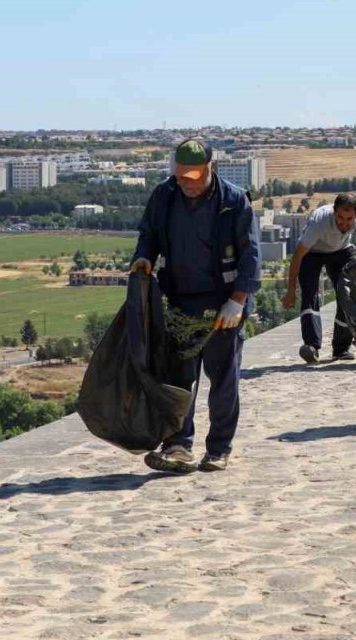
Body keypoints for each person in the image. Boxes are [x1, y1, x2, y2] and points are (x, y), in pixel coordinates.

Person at [129, 139, 261, 474]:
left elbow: (251, 255)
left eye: (193, 177)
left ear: (210, 168)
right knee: (178, 378)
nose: (186, 183)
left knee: (223, 380)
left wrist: (238, 300)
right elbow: (149, 234)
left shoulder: (233, 201)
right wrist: (143, 256)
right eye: (181, 176)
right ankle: (177, 445)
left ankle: (218, 449)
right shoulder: (165, 195)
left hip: (223, 305)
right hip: (181, 301)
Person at [280, 194, 356, 363]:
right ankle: (312, 346)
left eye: (349, 219)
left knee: (347, 295)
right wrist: (291, 290)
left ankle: (341, 349)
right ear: (334, 212)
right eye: (340, 218)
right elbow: (298, 256)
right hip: (311, 253)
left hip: (341, 251)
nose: (344, 223)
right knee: (310, 295)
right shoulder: (320, 221)